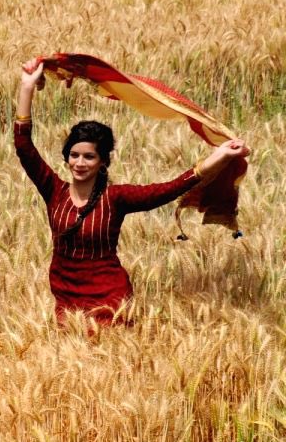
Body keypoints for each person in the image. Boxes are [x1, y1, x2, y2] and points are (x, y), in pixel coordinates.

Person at [15, 59, 250, 325]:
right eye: (74, 155)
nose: (79, 163)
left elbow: (169, 189)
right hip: (65, 294)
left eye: (89, 157)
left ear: (103, 161)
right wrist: (26, 87)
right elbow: (24, 147)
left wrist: (219, 156)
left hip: (109, 297)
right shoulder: (53, 190)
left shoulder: (116, 198)